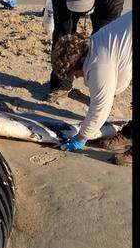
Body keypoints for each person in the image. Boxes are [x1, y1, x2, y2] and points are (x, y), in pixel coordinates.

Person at [55, 10, 133, 165]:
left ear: (78, 63)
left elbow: (101, 106)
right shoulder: (95, 42)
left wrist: (82, 137)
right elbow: (121, 80)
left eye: (73, 74)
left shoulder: (99, 64)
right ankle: (130, 133)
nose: (77, 77)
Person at [47, 0, 127, 94]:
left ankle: (101, 86)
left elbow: (108, 39)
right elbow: (61, 30)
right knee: (63, 34)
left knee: (104, 42)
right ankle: (60, 84)